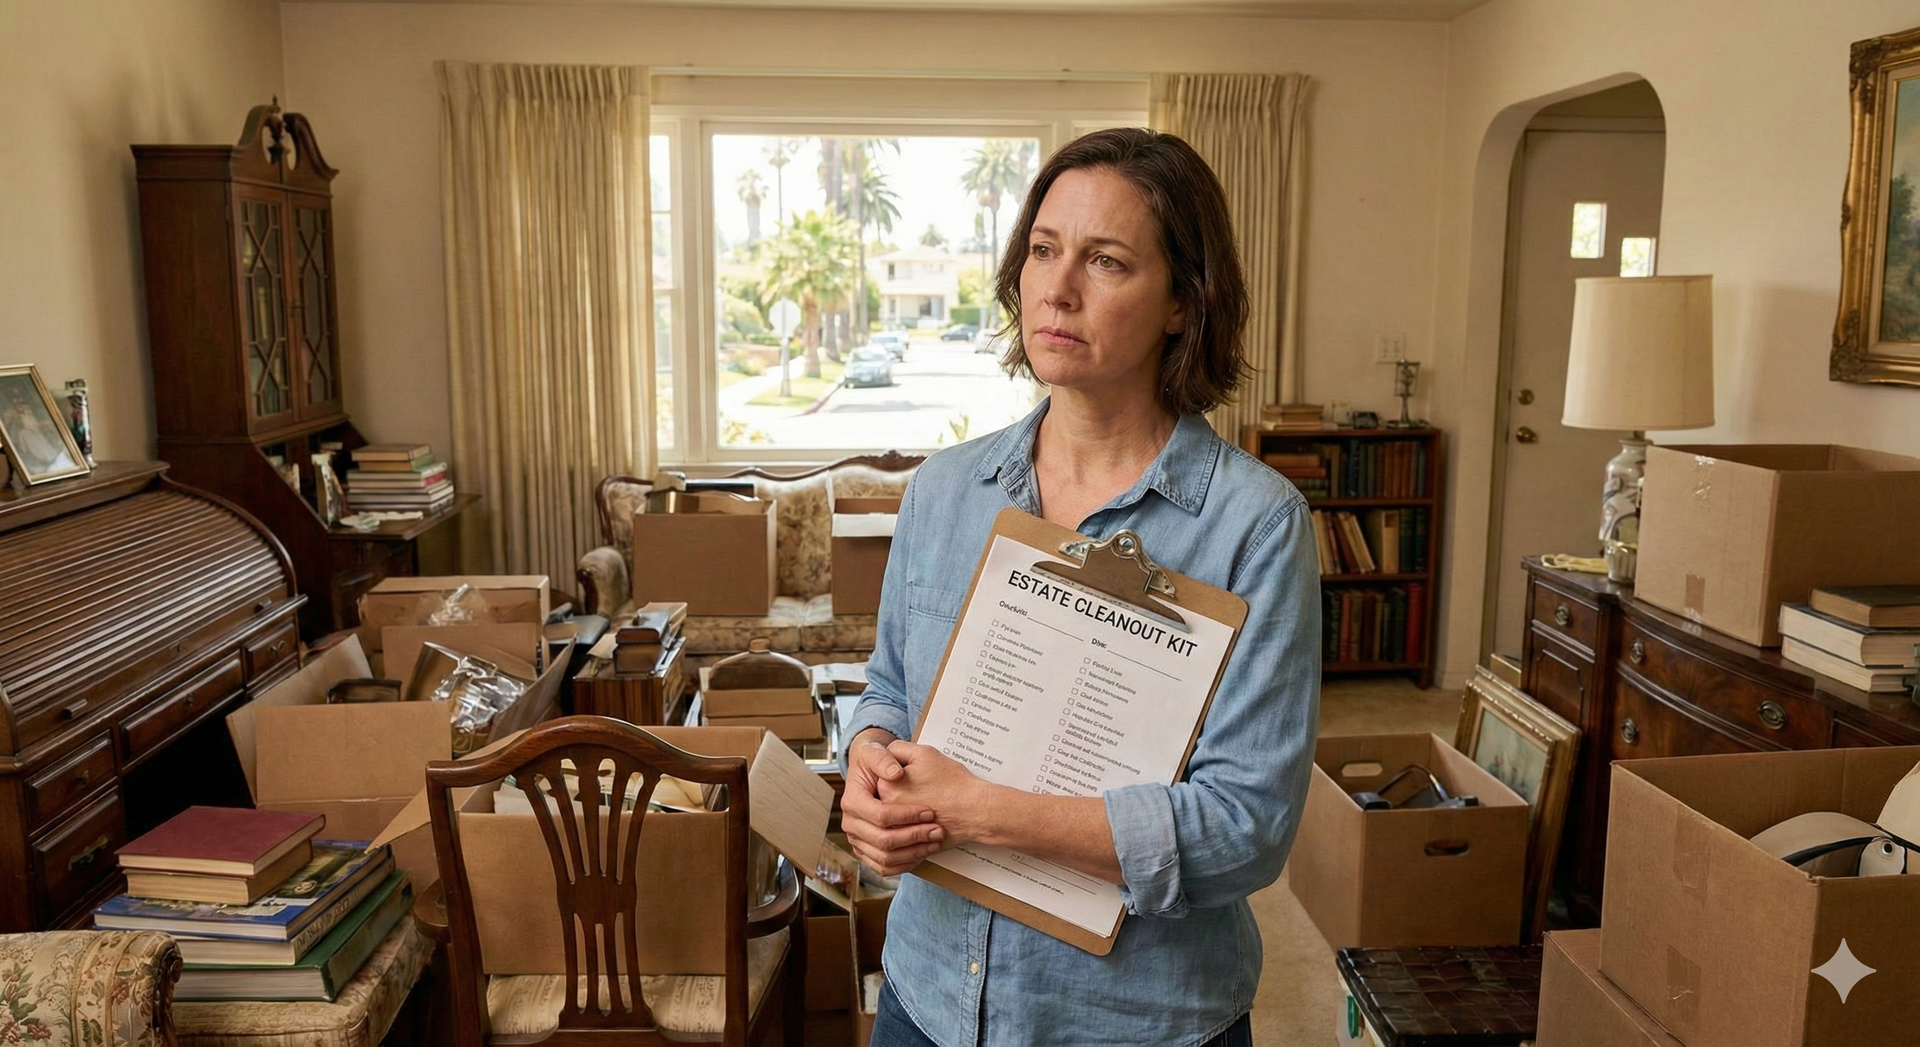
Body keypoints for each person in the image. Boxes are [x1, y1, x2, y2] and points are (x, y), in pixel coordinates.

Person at [840, 128, 1322, 1047]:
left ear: (1185, 301)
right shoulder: (945, 490)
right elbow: (890, 685)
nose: (1056, 289)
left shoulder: (1256, 526)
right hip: (927, 994)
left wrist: (975, 808)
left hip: (1136, 1020)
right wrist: (869, 759)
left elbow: (1246, 825)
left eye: (1106, 261)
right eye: (1043, 250)